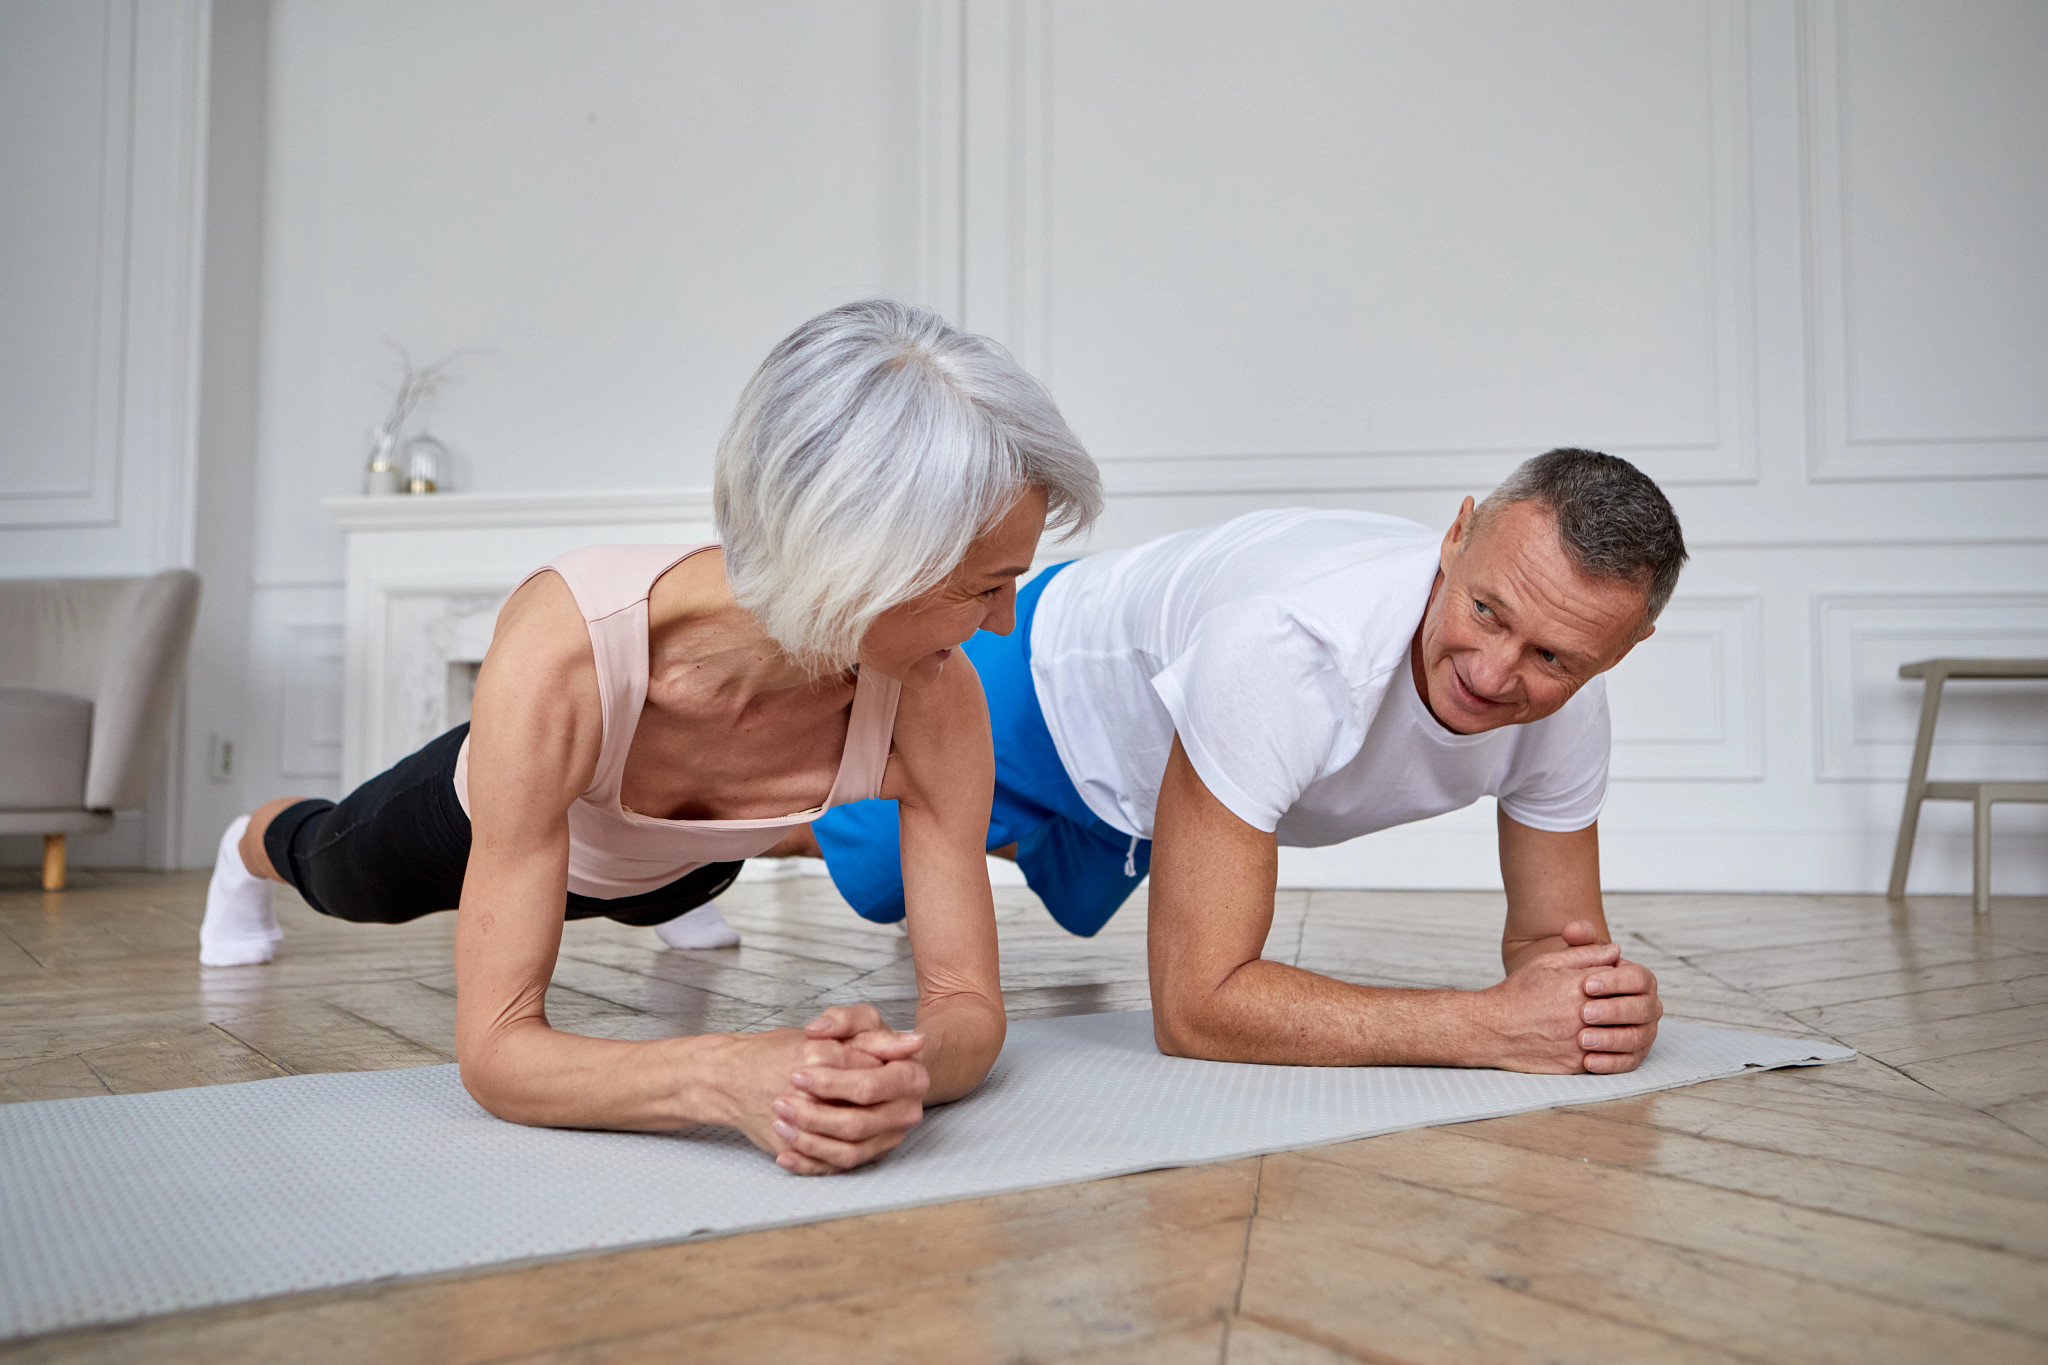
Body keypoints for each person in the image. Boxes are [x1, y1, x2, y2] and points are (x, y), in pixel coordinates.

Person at [198, 300, 1101, 1172]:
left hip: (693, 863)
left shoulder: (937, 699)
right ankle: (246, 847)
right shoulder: (566, 653)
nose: (1000, 621)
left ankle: (669, 894)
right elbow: (497, 1053)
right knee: (336, 870)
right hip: (497, 827)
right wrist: (721, 1074)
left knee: (664, 886)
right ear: (860, 564)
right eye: (984, 585)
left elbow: (968, 1008)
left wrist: (892, 1071)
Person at [798, 448, 1683, 1075]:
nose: (1495, 676)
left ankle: (1004, 840)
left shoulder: (1572, 717)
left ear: (1625, 649)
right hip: (1038, 680)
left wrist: (1592, 1012)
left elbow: (1546, 942)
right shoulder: (1290, 645)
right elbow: (1196, 1009)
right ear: (1456, 537)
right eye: (1487, 610)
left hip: (1161, 786)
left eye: (1554, 658)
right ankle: (670, 854)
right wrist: (1488, 1026)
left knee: (1002, 864)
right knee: (831, 843)